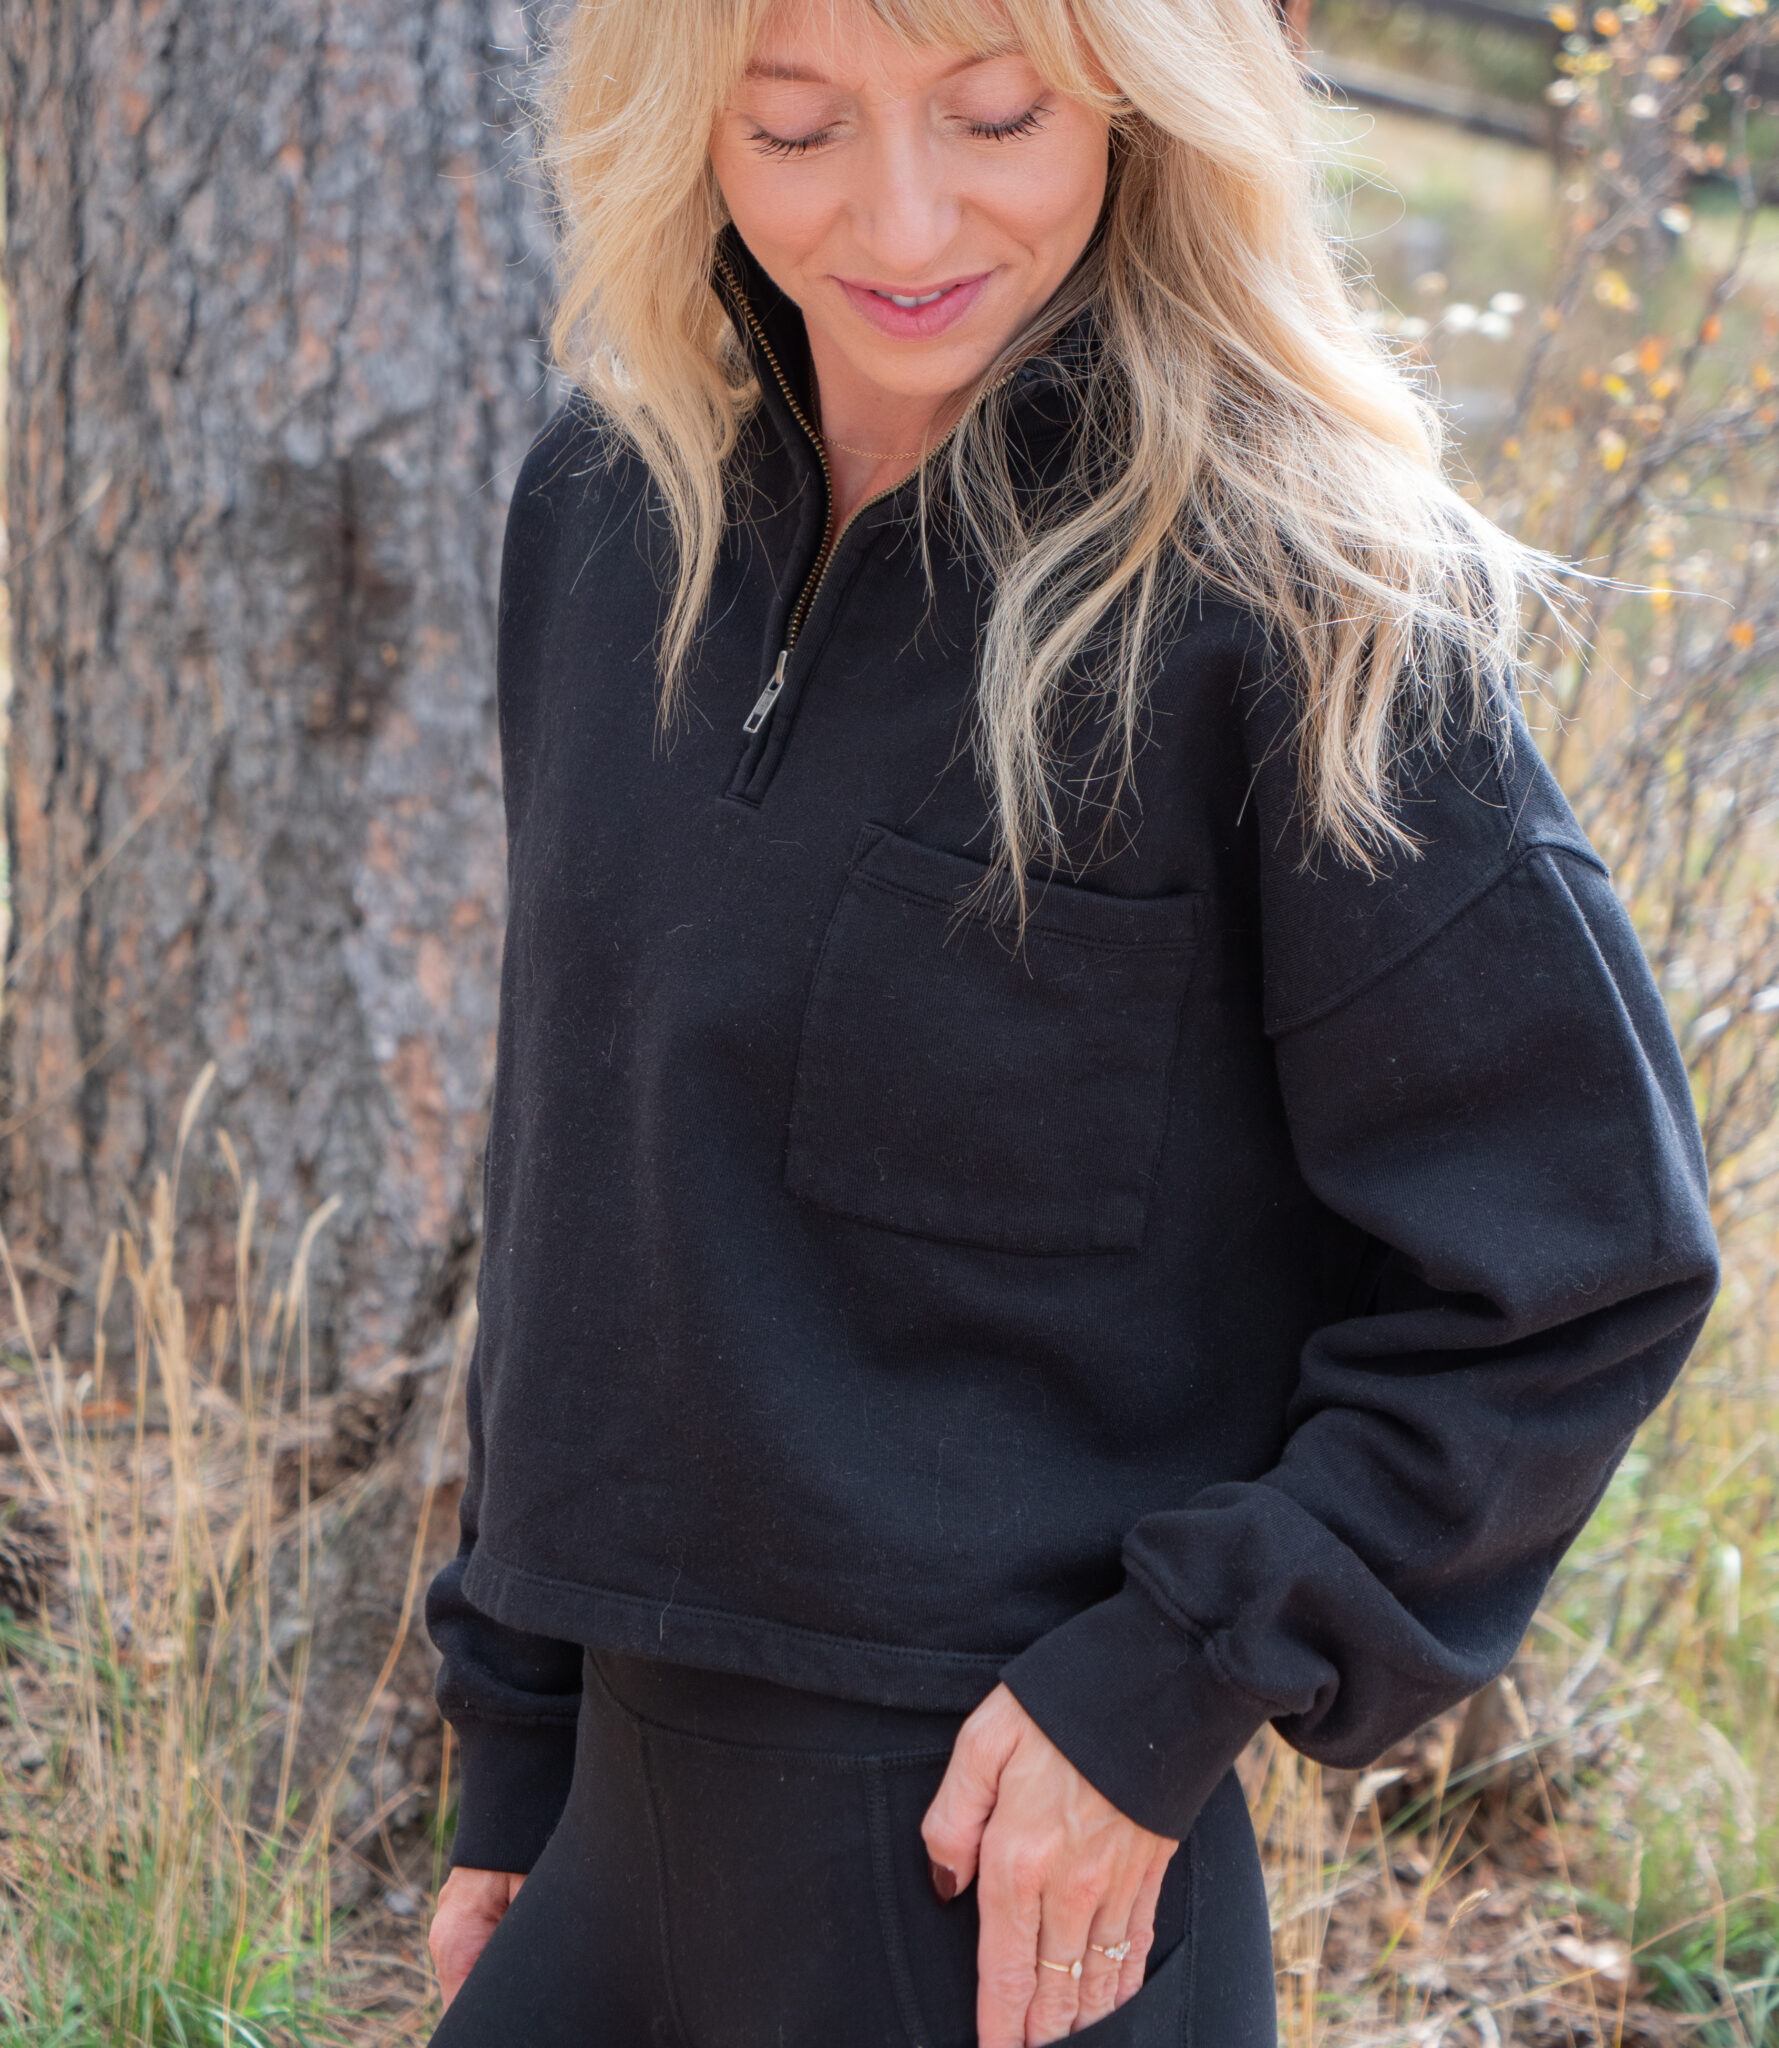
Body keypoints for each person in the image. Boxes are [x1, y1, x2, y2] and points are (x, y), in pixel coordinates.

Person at [422, 1, 1719, 2042]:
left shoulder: (1294, 598)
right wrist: (515, 1735)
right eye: (793, 128)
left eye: (994, 112)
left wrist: (1173, 1680)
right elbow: (574, 1163)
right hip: (613, 1847)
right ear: (679, 130)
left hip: (1004, 1891)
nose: (902, 213)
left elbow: (1576, 1266)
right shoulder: (604, 516)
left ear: (1134, 94)